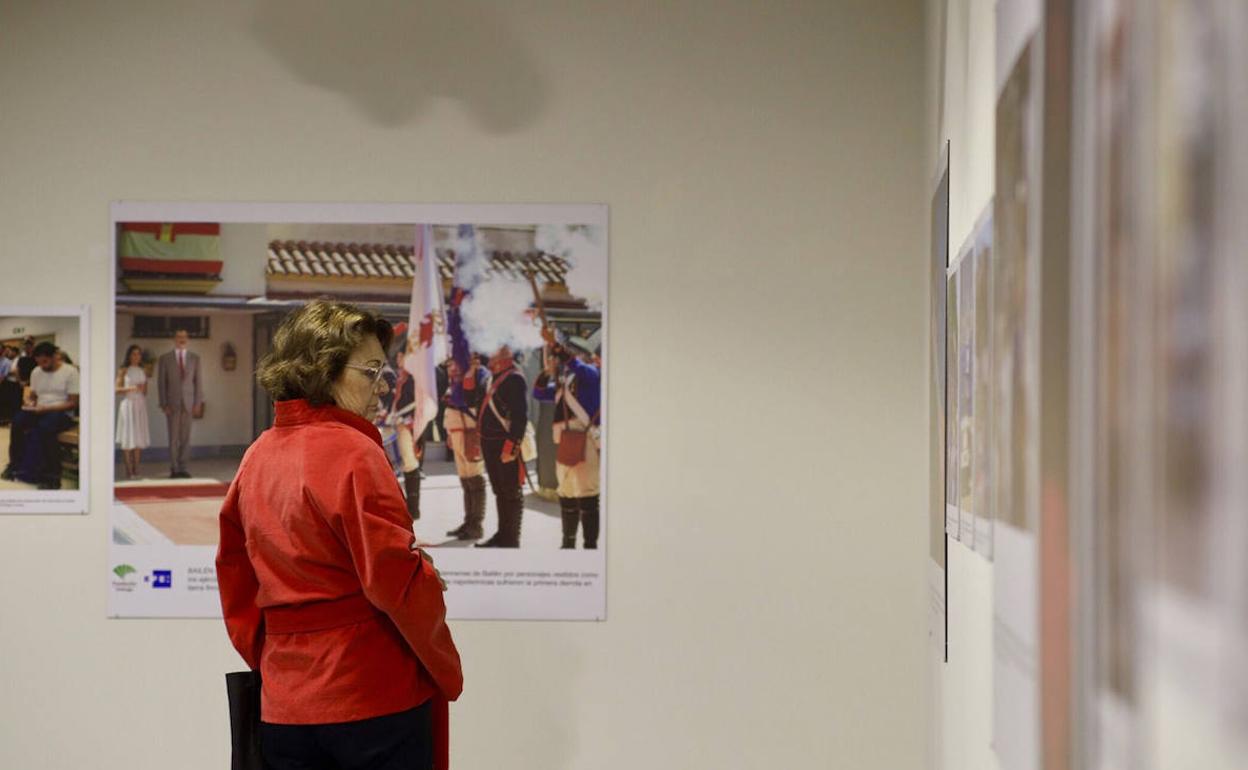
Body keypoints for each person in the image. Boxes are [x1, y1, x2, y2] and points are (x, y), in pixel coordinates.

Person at [216, 299, 462, 770]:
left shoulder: (257, 455)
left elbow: (235, 578)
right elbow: (392, 578)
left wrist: (272, 658)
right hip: (371, 692)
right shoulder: (356, 451)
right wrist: (425, 576)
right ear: (322, 370)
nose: (381, 389)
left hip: (285, 700)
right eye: (370, 373)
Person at [534, 333, 602, 549]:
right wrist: (547, 373)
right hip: (565, 441)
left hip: (585, 440)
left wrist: (558, 349)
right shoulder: (566, 382)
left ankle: (590, 546)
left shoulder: (593, 374)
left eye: (574, 354)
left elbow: (580, 368)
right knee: (566, 492)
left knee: (588, 493)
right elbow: (540, 393)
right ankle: (568, 543)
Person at [2, 342, 79, 489]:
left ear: (55, 356)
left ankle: (52, 476)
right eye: (39, 362)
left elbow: (72, 404)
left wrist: (46, 408)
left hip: (62, 412)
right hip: (40, 410)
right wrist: (29, 402)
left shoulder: (70, 372)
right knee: (17, 422)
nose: (42, 366)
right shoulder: (36, 371)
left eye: (45, 361)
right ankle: (14, 466)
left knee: (45, 428)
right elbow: (33, 396)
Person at [475, 346, 528, 548]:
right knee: (499, 491)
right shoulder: (490, 378)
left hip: (504, 444)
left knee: (511, 492)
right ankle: (502, 534)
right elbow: (474, 402)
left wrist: (511, 446)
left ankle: (511, 540)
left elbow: (520, 417)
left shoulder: (514, 378)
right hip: (489, 443)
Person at [442, 354, 490, 541]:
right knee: (465, 478)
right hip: (457, 429)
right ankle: (468, 522)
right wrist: (449, 433)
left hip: (470, 431)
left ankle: (476, 525)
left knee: (475, 477)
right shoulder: (458, 374)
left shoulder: (479, 372)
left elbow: (478, 399)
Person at [157, 329, 203, 479]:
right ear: (174, 339)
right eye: (179, 337)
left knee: (186, 438)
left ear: (187, 339)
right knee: (173, 438)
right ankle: (174, 468)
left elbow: (198, 383)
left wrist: (197, 402)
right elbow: (161, 383)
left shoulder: (194, 358)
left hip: (189, 404)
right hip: (172, 404)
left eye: (184, 337)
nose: (182, 339)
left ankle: (183, 468)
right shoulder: (165, 359)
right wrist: (163, 403)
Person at [115, 344, 151, 479]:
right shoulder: (123, 370)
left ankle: (136, 470)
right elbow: (116, 389)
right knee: (127, 437)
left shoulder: (143, 370)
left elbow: (145, 391)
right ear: (129, 355)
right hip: (128, 404)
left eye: (138, 354)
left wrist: (143, 388)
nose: (136, 356)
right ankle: (128, 471)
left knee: (138, 437)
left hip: (140, 405)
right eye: (134, 354)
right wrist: (131, 388)